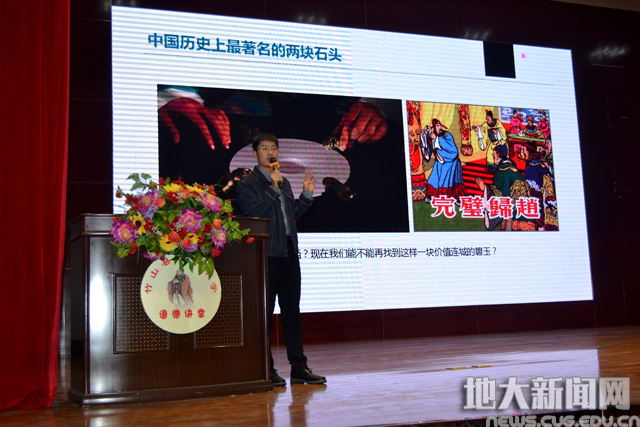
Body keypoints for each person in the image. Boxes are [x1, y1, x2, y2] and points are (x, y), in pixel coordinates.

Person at [236, 133, 326, 387]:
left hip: (288, 251)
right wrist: (273, 190)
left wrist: (305, 196)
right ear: (255, 153)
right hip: (266, 254)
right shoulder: (248, 184)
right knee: (265, 315)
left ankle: (299, 368)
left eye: (274, 148)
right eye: (265, 148)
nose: (270, 152)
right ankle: (266, 368)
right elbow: (253, 214)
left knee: (292, 313)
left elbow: (290, 216)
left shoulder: (283, 181)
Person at [423, 119, 467, 202]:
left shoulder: (447, 135)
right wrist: (425, 139)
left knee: (446, 182)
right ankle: (430, 196)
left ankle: (450, 198)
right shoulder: (432, 137)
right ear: (434, 128)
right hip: (439, 163)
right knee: (433, 179)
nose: (440, 127)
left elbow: (453, 150)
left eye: (440, 125)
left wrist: (437, 139)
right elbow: (428, 152)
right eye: (437, 126)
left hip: (450, 163)